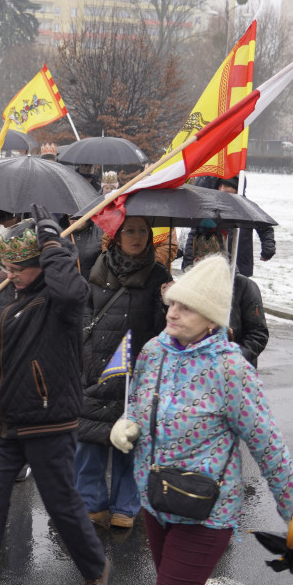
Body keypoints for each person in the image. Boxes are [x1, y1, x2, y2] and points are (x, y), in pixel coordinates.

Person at [110, 255, 293, 585]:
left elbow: (268, 446)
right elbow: (137, 402)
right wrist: (128, 423)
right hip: (156, 498)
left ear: (211, 319)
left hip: (205, 509)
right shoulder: (153, 352)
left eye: (187, 308)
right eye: (173, 302)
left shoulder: (231, 370)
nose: (172, 312)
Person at [0, 208, 111, 585]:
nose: (9, 272)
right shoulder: (7, 286)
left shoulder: (63, 298)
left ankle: (95, 568)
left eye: (18, 266)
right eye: (6, 264)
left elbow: (71, 290)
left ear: (42, 263)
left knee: (61, 505)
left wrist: (52, 243)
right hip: (2, 423)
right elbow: (1, 330)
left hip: (48, 422)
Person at [75, 216, 171, 530]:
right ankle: (92, 503)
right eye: (130, 230)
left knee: (131, 440)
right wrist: (86, 352)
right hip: (98, 365)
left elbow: (163, 329)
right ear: (117, 235)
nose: (137, 237)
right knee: (91, 437)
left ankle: (125, 506)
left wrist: (167, 303)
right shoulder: (99, 266)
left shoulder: (159, 276)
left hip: (137, 370)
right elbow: (85, 312)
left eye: (144, 231)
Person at [190, 229, 270, 367]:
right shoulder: (191, 286)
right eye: (199, 260)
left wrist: (235, 357)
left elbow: (258, 334)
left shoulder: (244, 286)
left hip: (234, 370)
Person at [182, 176, 275, 277]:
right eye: (220, 185)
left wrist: (268, 249)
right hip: (214, 266)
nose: (222, 189)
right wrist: (188, 262)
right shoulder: (210, 209)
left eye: (227, 186)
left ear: (237, 188)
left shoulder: (247, 208)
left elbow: (265, 228)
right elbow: (195, 236)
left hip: (240, 265)